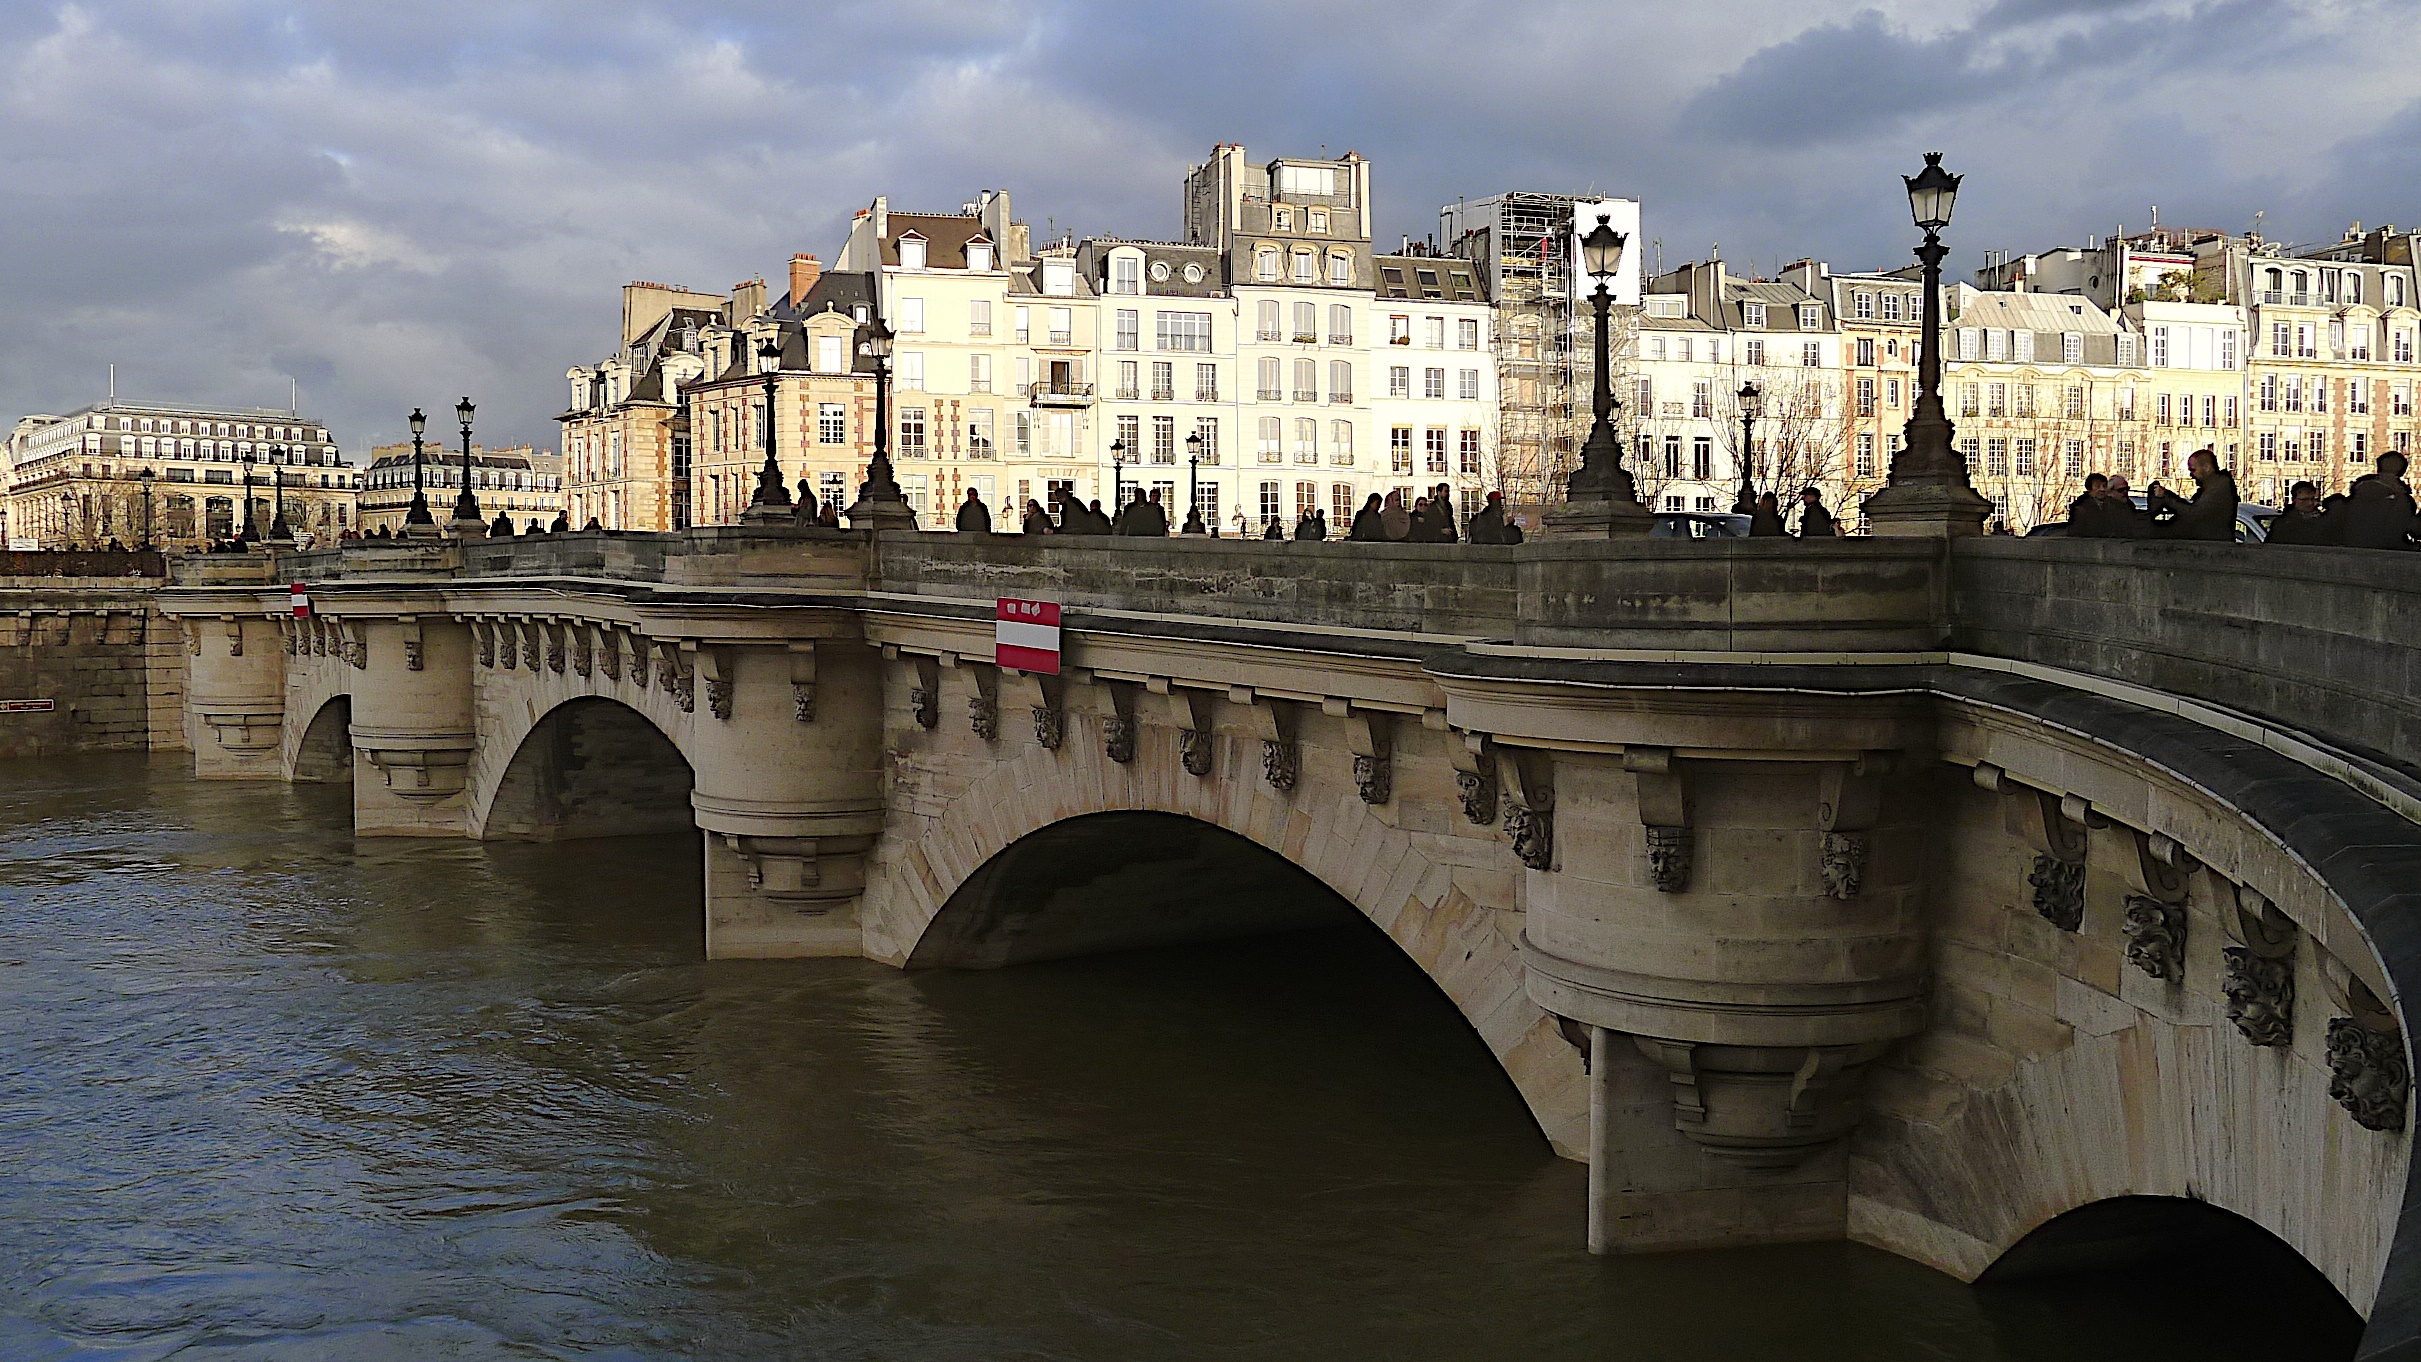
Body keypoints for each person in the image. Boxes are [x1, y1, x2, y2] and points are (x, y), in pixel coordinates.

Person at [2144, 448, 2238, 541]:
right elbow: (2190, 509)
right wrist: (2167, 495)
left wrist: (2166, 496)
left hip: (2213, 546)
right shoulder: (2213, 486)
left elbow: (2193, 514)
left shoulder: (2220, 487)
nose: (2191, 475)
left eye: (2193, 470)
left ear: (2207, 468)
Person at [2341, 451, 2417, 550]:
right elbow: (2395, 536)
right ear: (2402, 471)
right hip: (2383, 557)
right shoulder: (2401, 500)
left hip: (2352, 553)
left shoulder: (2358, 493)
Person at [2265, 480, 2333, 546]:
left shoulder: (2324, 521)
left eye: (2312, 499)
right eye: (2303, 500)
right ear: (2294, 500)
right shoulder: (2282, 524)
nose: (2310, 503)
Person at [2067, 472, 2109, 538]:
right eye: (2098, 486)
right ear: (2089, 488)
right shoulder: (2080, 507)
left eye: (2104, 486)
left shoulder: (2112, 505)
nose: (2102, 489)